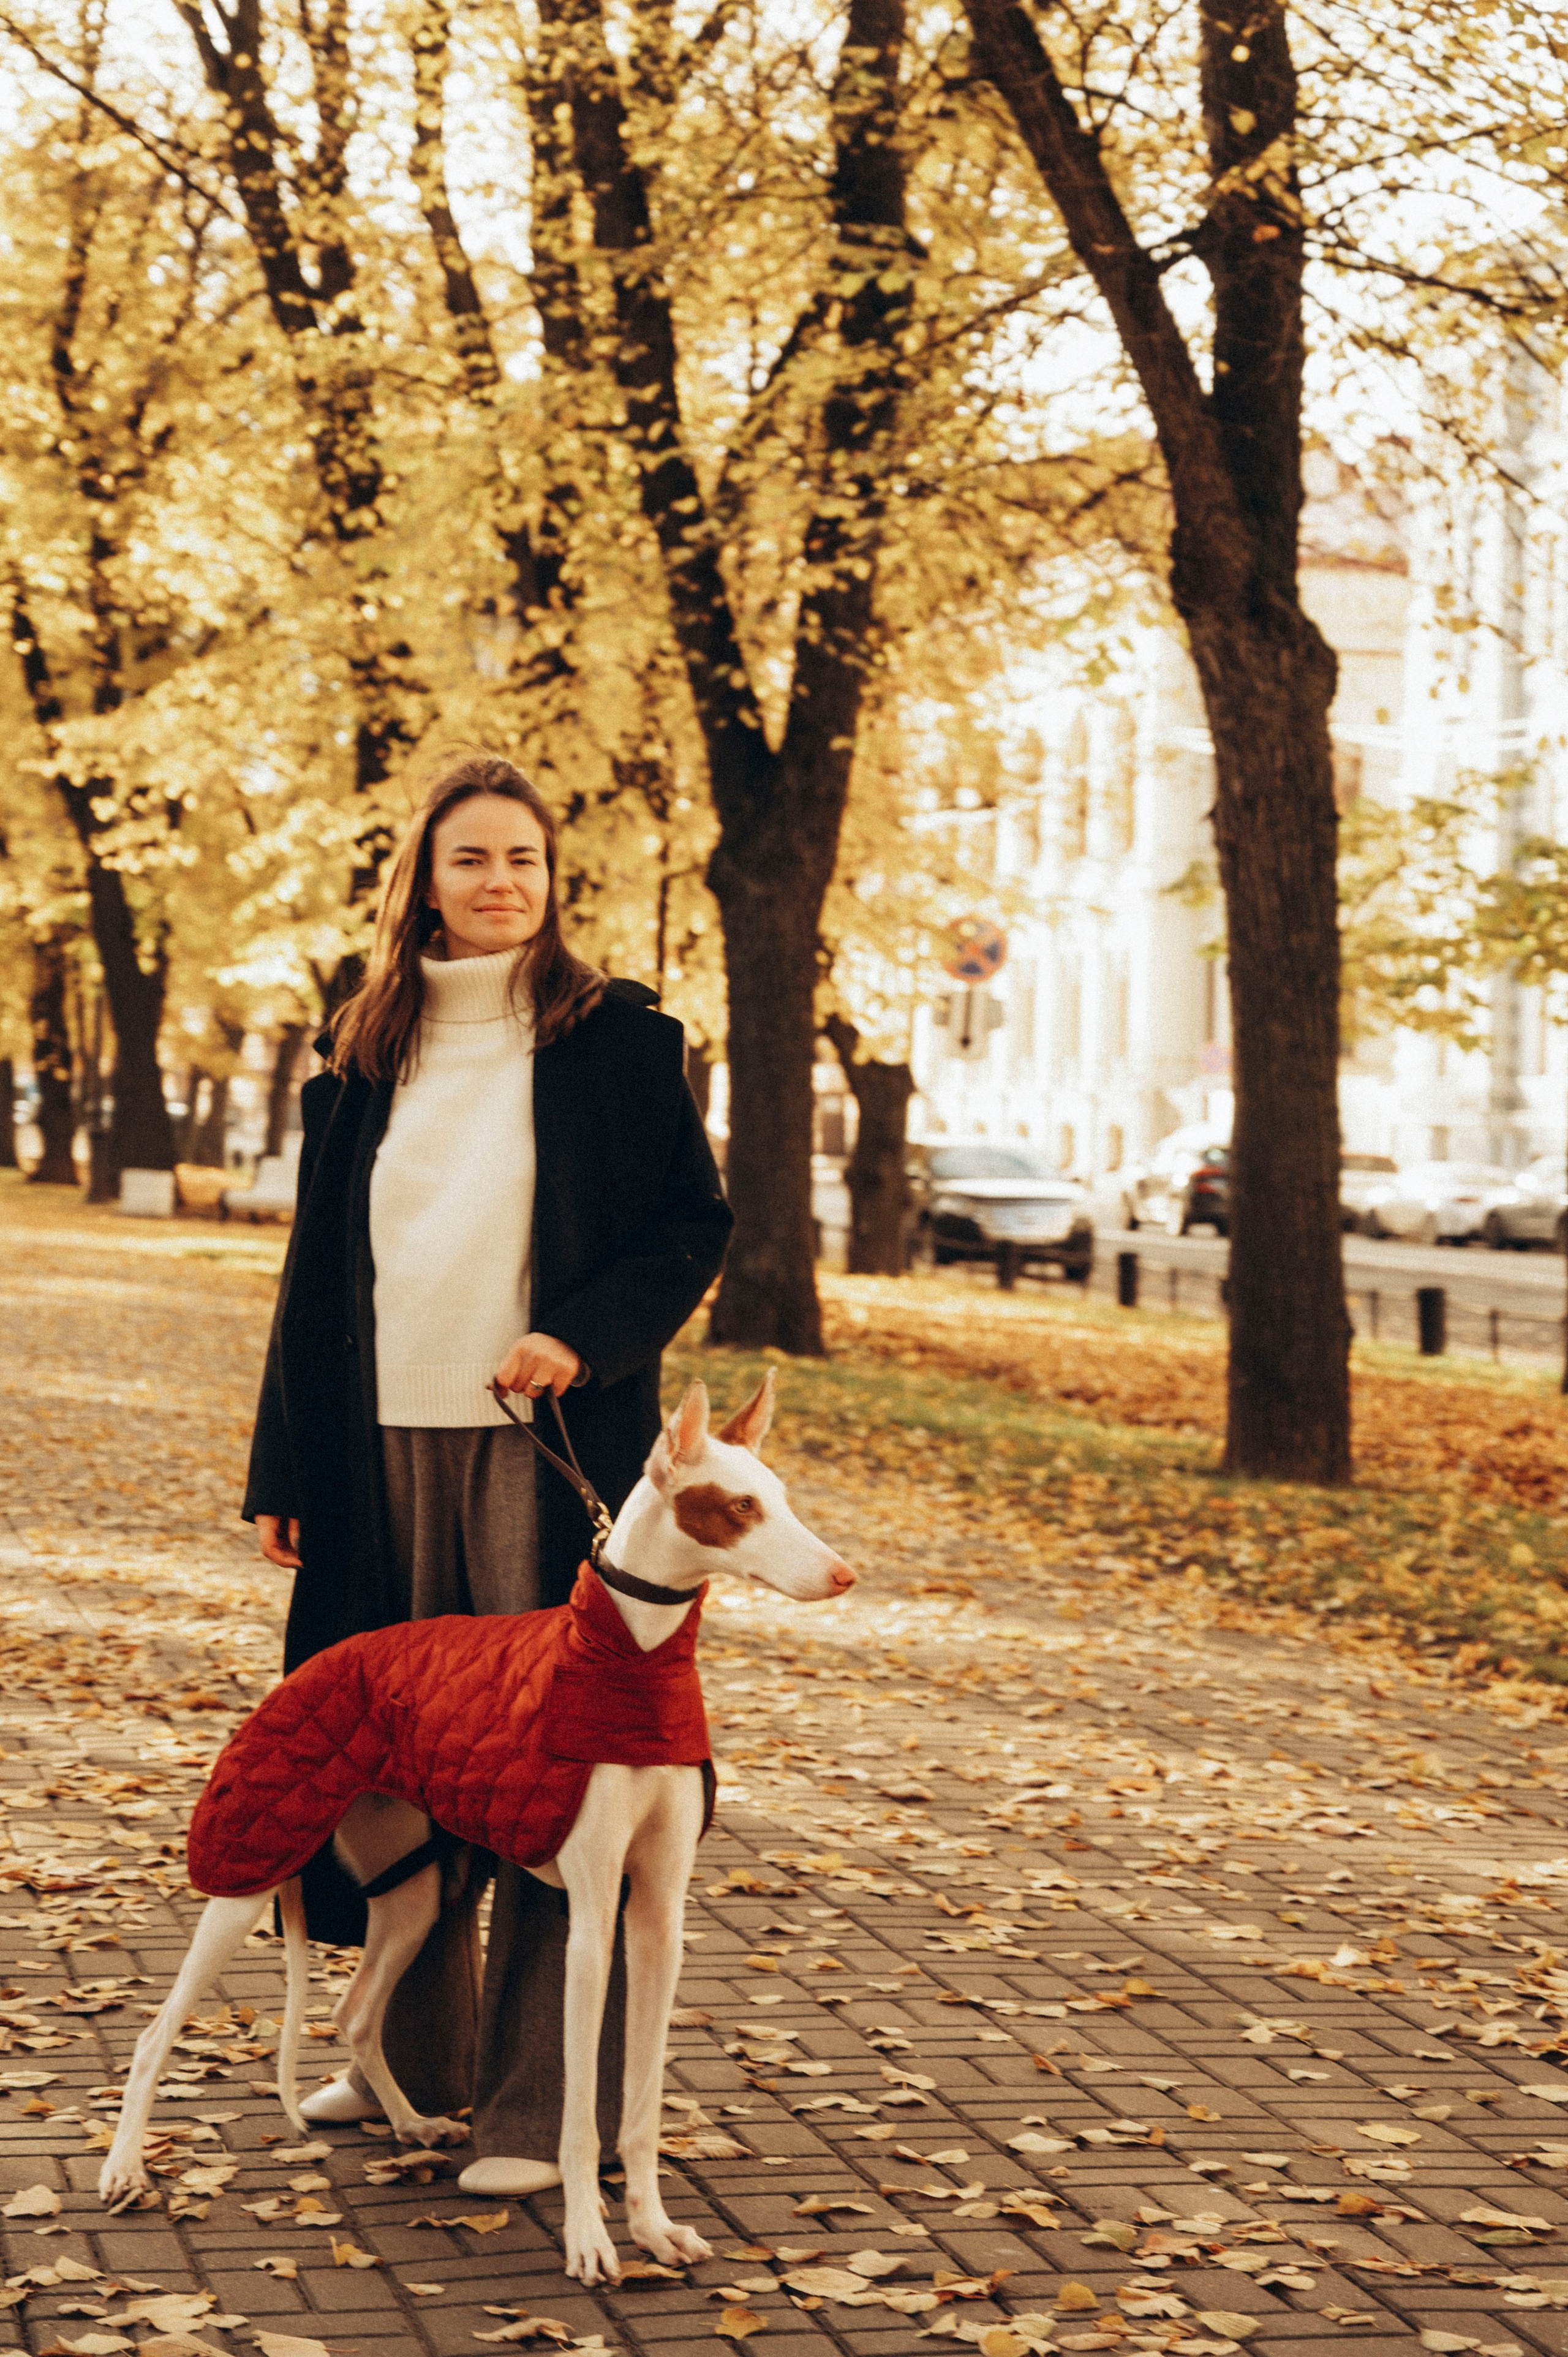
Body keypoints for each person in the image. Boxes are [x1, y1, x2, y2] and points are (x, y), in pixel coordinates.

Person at [242, 749, 733, 2195]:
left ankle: (535, 2106)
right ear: (425, 878)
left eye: (522, 857)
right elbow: (310, 1271)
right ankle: (414, 2060)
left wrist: (578, 1335)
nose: (500, 880)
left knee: (549, 1765)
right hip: (372, 1445)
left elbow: (691, 1226)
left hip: (542, 1442)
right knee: (393, 1749)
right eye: (471, 858)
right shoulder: (363, 1045)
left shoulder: (619, 1039)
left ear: (550, 875)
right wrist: (286, 1460)